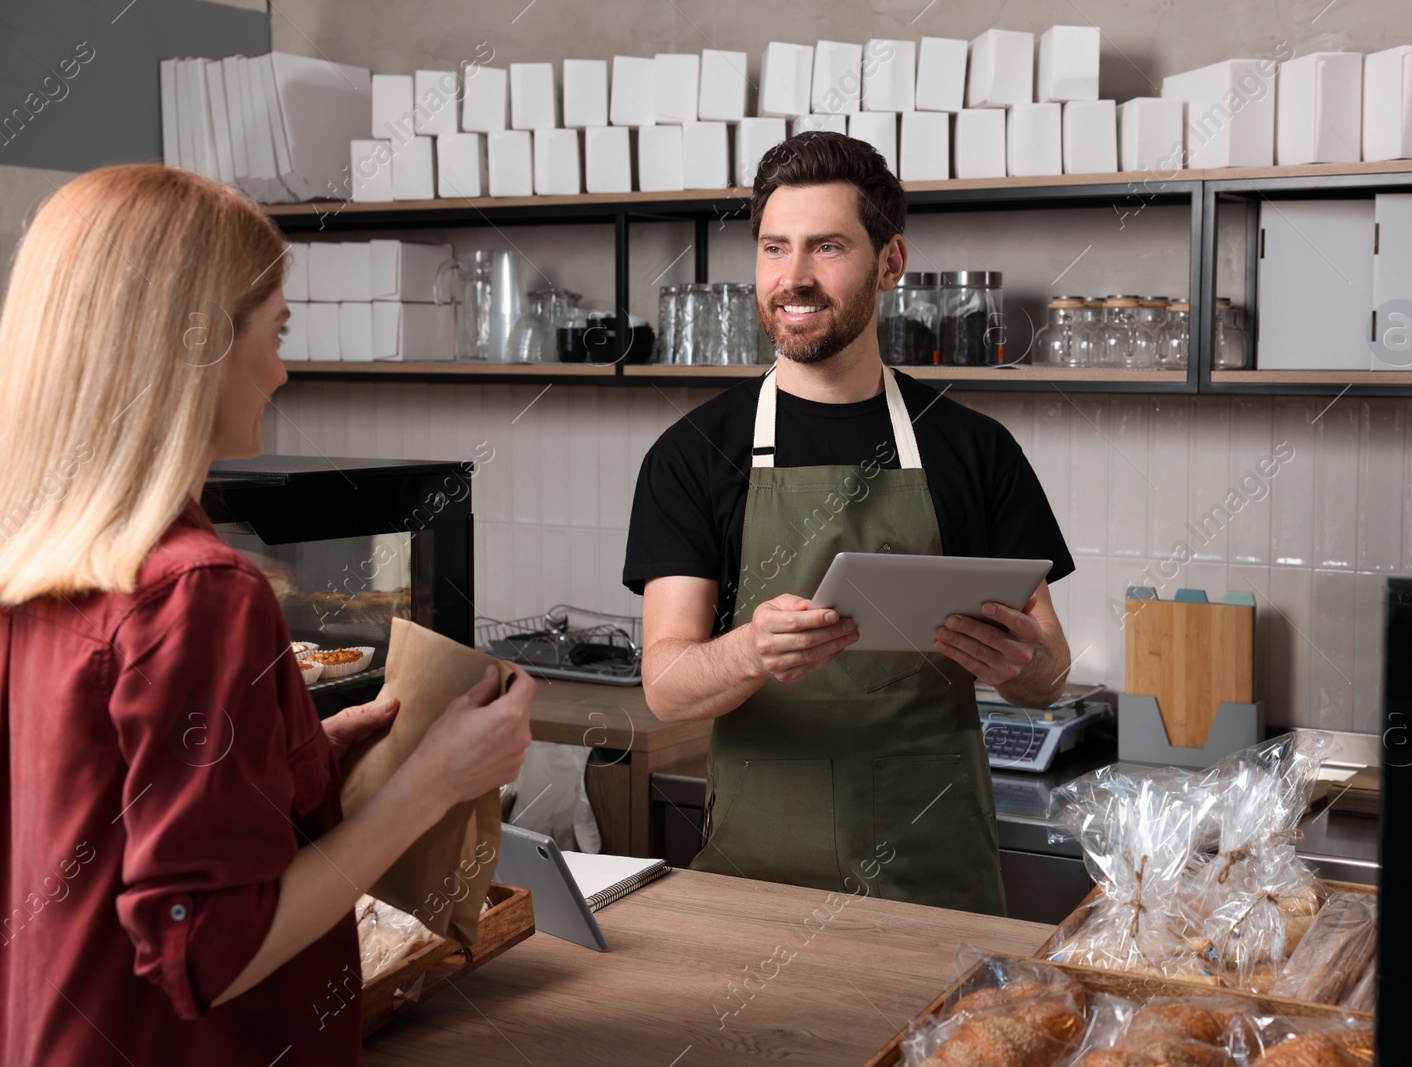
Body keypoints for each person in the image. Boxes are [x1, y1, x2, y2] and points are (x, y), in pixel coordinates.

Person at [0, 164, 535, 1065]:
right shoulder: (200, 593)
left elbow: (92, 821)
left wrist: (300, 766)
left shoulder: (34, 566)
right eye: (276, 330)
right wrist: (429, 786)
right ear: (200, 340)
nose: (281, 370)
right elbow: (208, 952)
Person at [623, 133, 1074, 916]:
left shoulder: (975, 449)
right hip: (755, 886)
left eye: (826, 246)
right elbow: (665, 686)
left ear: (890, 263)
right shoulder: (692, 455)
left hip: (937, 889)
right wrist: (751, 650)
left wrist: (1019, 662)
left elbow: (1049, 674)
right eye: (774, 247)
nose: (792, 277)